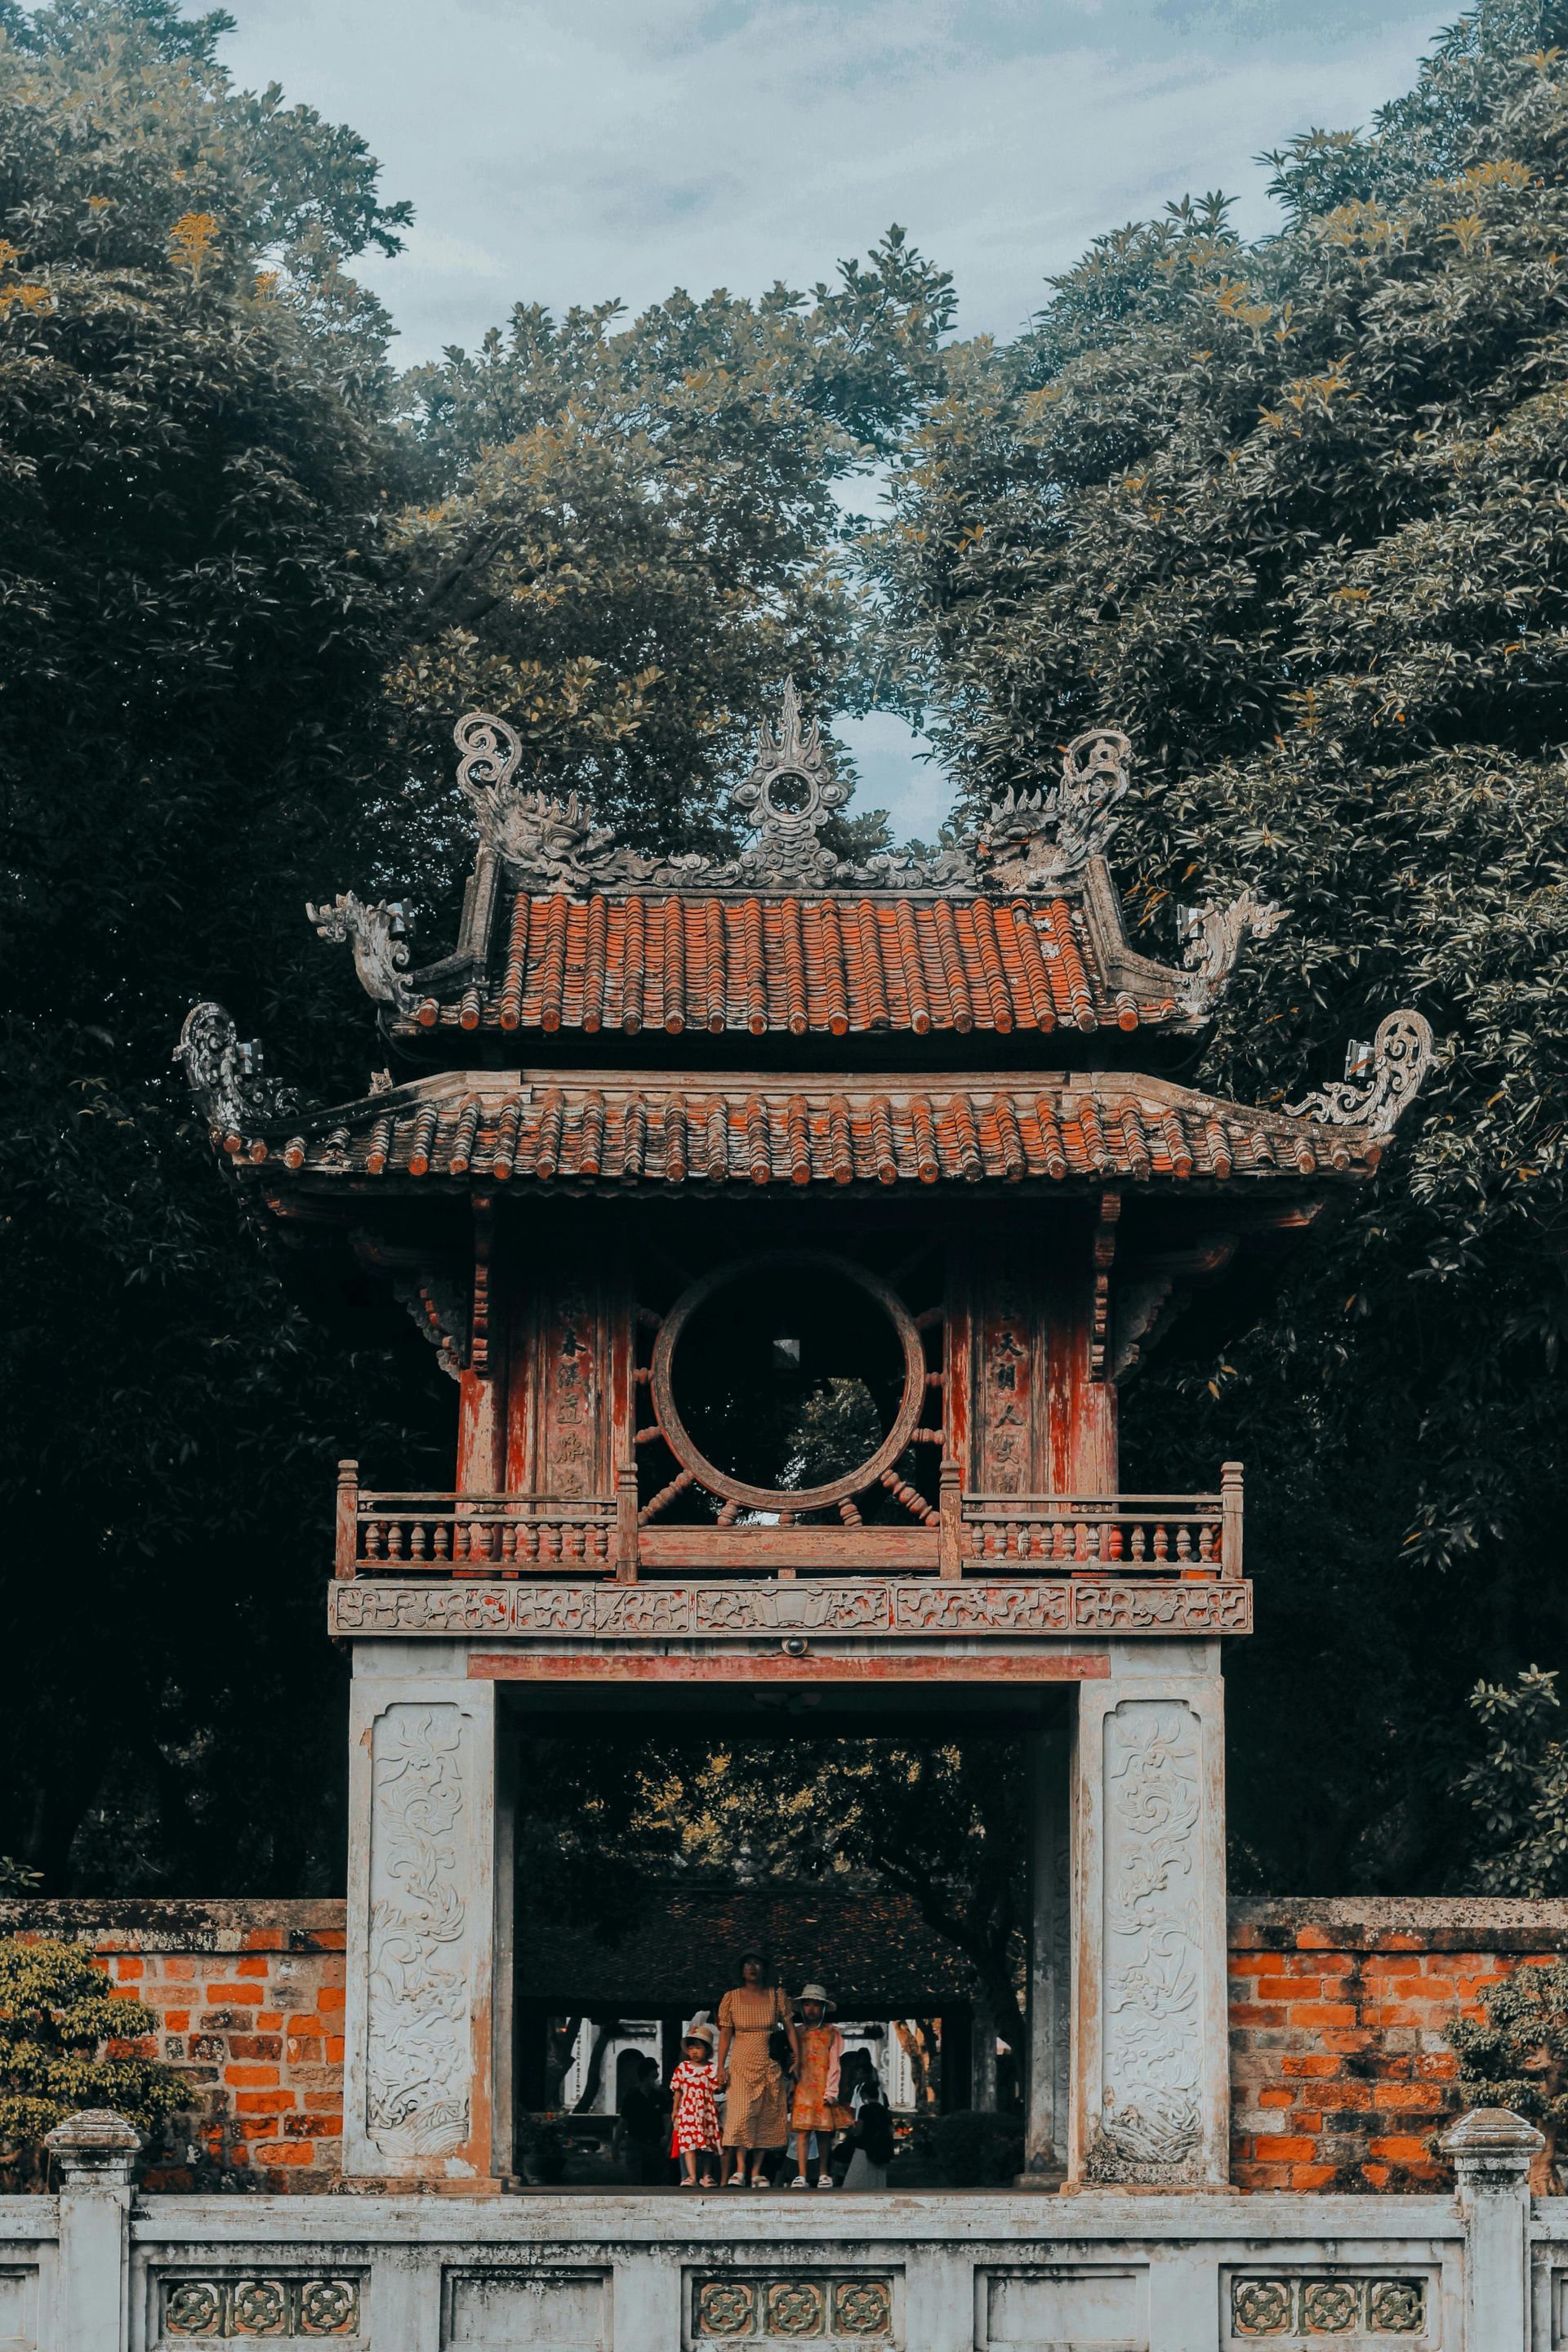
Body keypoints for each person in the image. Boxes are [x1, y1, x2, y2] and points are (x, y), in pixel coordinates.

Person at [715, 1950, 799, 2189]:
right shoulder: (730, 1997)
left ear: (764, 1969)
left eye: (757, 1964)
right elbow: (725, 2035)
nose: (752, 1968)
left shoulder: (776, 1996)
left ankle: (756, 2172)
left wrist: (797, 2059)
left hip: (769, 2062)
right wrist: (720, 2067)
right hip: (741, 2061)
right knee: (740, 2114)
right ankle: (739, 2170)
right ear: (742, 1970)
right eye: (748, 1964)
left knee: (766, 2115)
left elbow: (791, 2028)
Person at [789, 1983, 853, 2189]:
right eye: (807, 2004)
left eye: (816, 2005)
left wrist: (832, 2090)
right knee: (803, 2132)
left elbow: (835, 2063)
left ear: (823, 2008)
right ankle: (801, 2174)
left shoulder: (831, 2033)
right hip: (803, 2088)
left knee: (824, 2133)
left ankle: (824, 2173)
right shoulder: (796, 2033)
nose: (811, 2009)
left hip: (822, 2087)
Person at [667, 2025, 722, 2189]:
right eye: (691, 2048)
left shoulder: (712, 2069)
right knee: (688, 2144)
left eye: (698, 2047)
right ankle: (691, 2176)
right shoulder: (683, 2068)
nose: (694, 2052)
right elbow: (677, 2090)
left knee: (708, 2145)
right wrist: (675, 2110)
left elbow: (718, 2088)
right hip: (688, 2110)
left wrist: (724, 2077)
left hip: (706, 2111)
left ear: (706, 2049)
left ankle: (706, 2175)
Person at [618, 2052, 670, 2187]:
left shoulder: (660, 2096)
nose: (656, 2080)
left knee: (656, 2181)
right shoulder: (632, 2097)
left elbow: (667, 2119)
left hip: (655, 2144)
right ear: (645, 2077)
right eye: (654, 2077)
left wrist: (667, 2137)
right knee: (636, 2182)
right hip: (635, 2144)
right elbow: (623, 2122)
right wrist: (615, 2145)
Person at [840, 2073, 895, 2191]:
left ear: (864, 2095)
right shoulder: (885, 2111)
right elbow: (891, 2130)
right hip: (880, 2149)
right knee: (877, 2181)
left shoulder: (864, 2109)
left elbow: (858, 2131)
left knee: (855, 2182)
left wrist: (851, 2127)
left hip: (864, 2149)